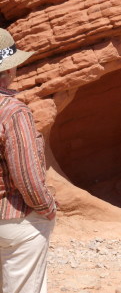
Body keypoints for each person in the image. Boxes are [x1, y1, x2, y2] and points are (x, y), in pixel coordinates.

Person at [0, 28, 57, 293]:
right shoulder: (13, 112)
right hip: (14, 220)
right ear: (9, 71)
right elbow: (26, 175)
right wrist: (46, 207)